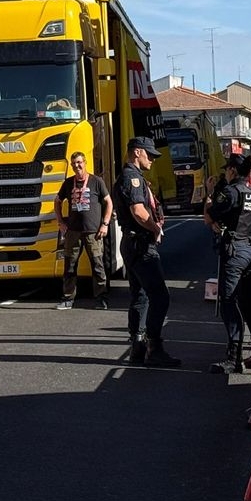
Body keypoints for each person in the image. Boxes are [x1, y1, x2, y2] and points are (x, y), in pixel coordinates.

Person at [114, 137, 181, 368]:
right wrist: (156, 228)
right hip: (141, 244)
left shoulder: (131, 176)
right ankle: (154, 347)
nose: (152, 159)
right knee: (160, 296)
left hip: (132, 243)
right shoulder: (132, 177)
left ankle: (138, 345)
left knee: (140, 296)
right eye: (149, 155)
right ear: (137, 153)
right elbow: (138, 211)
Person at [207, 154, 251, 374]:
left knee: (229, 303)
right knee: (249, 304)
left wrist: (210, 193)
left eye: (227, 170)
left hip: (234, 251)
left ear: (232, 170)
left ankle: (234, 357)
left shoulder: (230, 192)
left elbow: (209, 216)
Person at [54, 151, 113, 310]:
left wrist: (105, 224)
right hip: (73, 231)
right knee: (70, 265)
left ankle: (101, 298)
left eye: (79, 162)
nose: (77, 166)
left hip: (93, 232)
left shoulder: (96, 181)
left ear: (85, 163)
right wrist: (61, 222)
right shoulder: (68, 183)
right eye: (74, 164)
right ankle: (67, 298)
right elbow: (57, 201)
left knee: (97, 265)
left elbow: (108, 202)